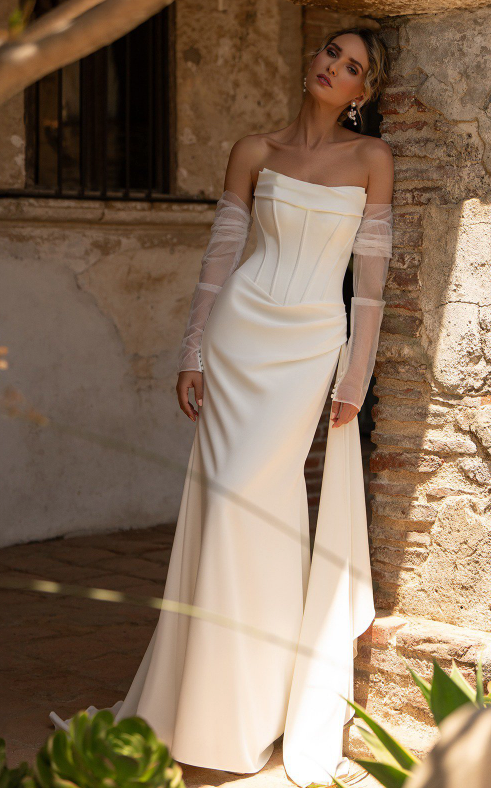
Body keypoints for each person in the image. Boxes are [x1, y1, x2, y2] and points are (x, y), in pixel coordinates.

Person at [50, 26, 394, 788]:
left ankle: (249, 708)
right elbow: (219, 256)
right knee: (225, 506)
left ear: (363, 93)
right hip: (243, 334)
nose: (332, 67)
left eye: (352, 67)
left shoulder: (372, 160)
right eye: (330, 54)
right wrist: (193, 347)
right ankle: (208, 711)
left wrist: (356, 376)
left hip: (309, 345)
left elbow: (369, 282)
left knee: (257, 504)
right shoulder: (254, 149)